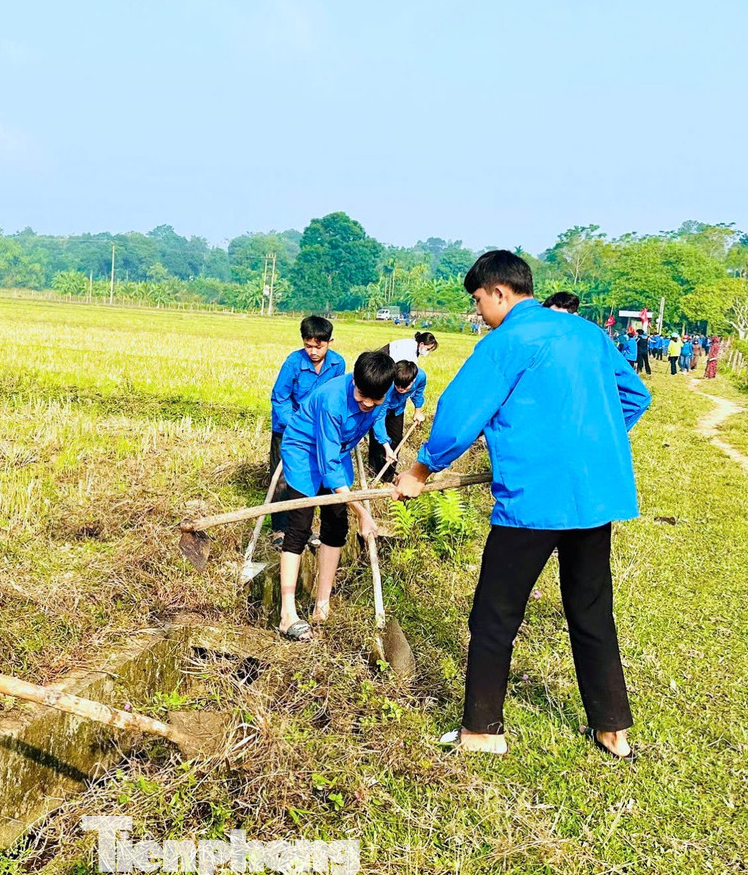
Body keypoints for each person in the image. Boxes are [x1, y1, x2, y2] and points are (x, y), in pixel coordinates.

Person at [395, 251, 650, 759]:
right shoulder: (587, 334)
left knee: (495, 614)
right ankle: (612, 728)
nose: (479, 314)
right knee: (592, 609)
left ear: (499, 292)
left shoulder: (507, 341)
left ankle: (483, 731)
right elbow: (635, 396)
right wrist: (586, 444)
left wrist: (420, 470)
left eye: (477, 302)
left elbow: (460, 412)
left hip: (534, 501)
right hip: (594, 498)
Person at [275, 351, 396, 641]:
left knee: (337, 525)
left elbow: (376, 418)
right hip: (305, 451)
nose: (367, 404)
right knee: (300, 526)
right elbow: (328, 468)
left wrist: (384, 441)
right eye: (361, 396)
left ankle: (322, 605)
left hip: (338, 451)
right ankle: (287, 614)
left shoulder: (383, 389)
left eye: (374, 400)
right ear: (354, 380)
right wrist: (364, 513)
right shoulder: (332, 400)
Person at [269, 316, 347, 546]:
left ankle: (304, 528)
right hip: (288, 427)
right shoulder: (293, 363)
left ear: (329, 342)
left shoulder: (337, 364)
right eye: (308, 345)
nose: (313, 351)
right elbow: (280, 397)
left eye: (318, 346)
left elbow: (335, 396)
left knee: (310, 476)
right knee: (283, 479)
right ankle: (280, 530)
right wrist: (295, 425)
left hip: (318, 430)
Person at [366, 359, 427, 480]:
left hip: (397, 410)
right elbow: (379, 416)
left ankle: (387, 478)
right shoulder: (387, 385)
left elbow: (419, 392)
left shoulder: (420, 376)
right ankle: (373, 474)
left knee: (396, 440)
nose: (400, 389)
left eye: (405, 387)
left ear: (413, 380)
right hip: (380, 409)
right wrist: (385, 445)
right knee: (377, 442)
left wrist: (418, 411)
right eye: (398, 385)